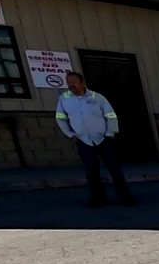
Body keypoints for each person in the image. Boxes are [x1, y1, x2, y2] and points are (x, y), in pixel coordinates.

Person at [55, 71, 136, 207]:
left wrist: (110, 134)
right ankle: (98, 199)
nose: (71, 85)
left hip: (103, 139)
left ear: (82, 83)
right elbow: (60, 118)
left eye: (74, 82)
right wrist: (71, 134)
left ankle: (125, 197)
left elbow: (111, 115)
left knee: (115, 170)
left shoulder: (97, 98)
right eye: (68, 82)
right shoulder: (64, 99)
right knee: (92, 172)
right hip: (83, 140)